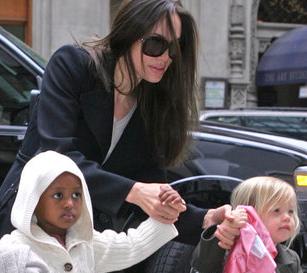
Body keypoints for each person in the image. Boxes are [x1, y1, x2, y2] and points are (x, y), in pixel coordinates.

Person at [0, 1, 237, 271]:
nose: (165, 57)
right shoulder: (73, 66)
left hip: (84, 243)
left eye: (175, 48)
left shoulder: (153, 105)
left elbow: (153, 190)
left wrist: (206, 218)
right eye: (156, 44)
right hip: (29, 227)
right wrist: (134, 191)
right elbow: (59, 156)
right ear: (127, 35)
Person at [0, 150, 185, 273]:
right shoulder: (13, 251)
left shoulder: (84, 243)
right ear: (33, 199)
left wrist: (166, 213)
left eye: (76, 195)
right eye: (58, 195)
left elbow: (131, 246)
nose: (69, 203)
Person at [191, 176, 302, 273]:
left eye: (291, 211)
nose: (287, 217)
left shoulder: (291, 258)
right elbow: (203, 264)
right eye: (276, 210)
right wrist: (218, 235)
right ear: (250, 214)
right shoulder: (228, 250)